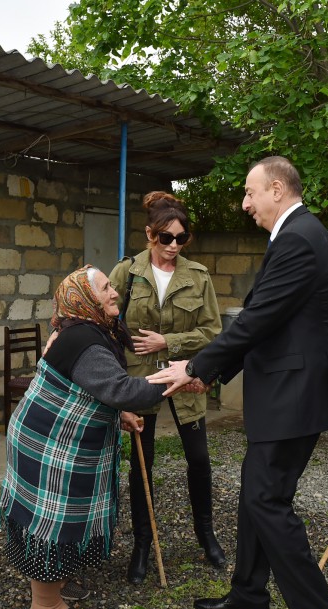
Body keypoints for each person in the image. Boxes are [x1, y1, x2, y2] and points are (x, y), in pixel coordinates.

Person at [147, 157, 328, 609]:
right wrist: (206, 371)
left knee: (267, 503)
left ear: (276, 189)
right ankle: (249, 595)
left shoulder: (299, 238)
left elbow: (257, 320)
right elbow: (267, 322)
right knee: (256, 496)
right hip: (286, 394)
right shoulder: (296, 234)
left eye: (249, 192)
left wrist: (197, 362)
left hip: (293, 397)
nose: (244, 203)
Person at [0, 266, 167, 609]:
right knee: (52, 521)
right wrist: (176, 379)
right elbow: (120, 388)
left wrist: (118, 414)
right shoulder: (87, 342)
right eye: (106, 288)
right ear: (85, 298)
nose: (114, 293)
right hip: (48, 445)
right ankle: (45, 607)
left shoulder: (83, 331)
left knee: (66, 517)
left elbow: (89, 390)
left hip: (51, 437)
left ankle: (55, 582)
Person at [108, 191, 225, 585]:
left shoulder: (198, 276)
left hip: (185, 376)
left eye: (181, 238)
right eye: (165, 238)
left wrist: (169, 343)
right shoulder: (127, 272)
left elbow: (213, 331)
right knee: (142, 463)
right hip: (140, 379)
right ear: (149, 234)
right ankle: (143, 544)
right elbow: (104, 320)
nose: (173, 246)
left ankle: (205, 535)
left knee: (199, 459)